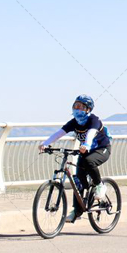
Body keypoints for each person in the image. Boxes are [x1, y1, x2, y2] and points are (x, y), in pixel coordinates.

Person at [38, 94, 112, 222]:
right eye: (75, 106)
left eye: (80, 107)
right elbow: (59, 133)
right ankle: (77, 211)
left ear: (88, 109)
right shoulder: (74, 122)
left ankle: (100, 185)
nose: (77, 109)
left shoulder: (93, 120)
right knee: (78, 180)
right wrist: (45, 144)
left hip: (102, 149)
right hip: (85, 151)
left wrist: (87, 144)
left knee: (89, 161)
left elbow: (91, 133)